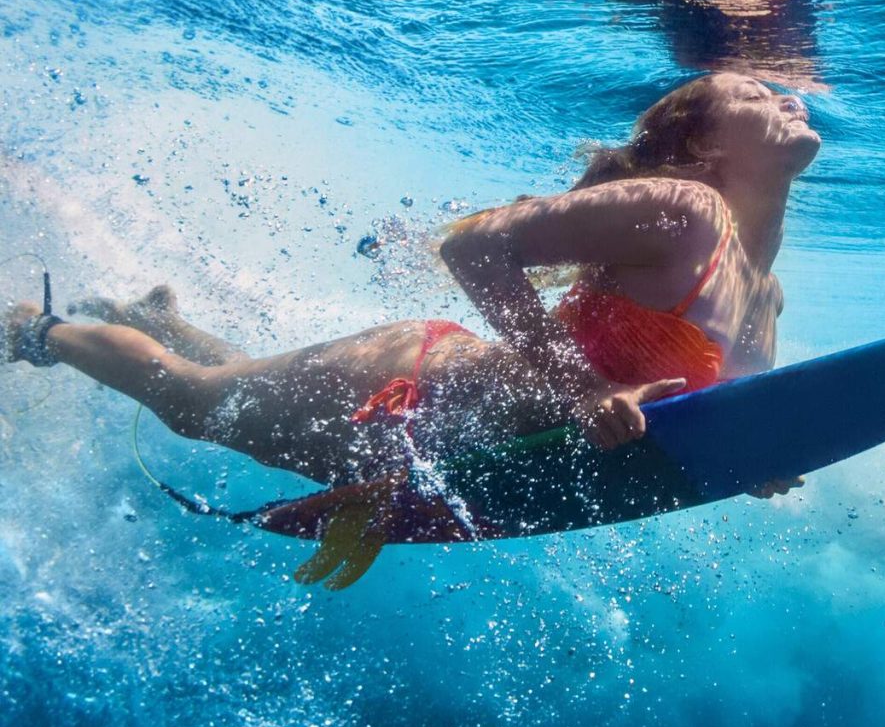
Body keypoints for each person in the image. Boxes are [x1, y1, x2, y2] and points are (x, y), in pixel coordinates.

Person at [1, 73, 819, 489]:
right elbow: (471, 247)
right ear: (704, 148)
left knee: (228, 388)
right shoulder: (685, 210)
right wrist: (580, 389)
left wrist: (750, 469)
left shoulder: (765, 294)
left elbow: (686, 415)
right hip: (414, 388)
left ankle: (156, 314)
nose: (786, 95)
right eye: (754, 92)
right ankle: (34, 330)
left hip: (463, 443)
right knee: (192, 403)